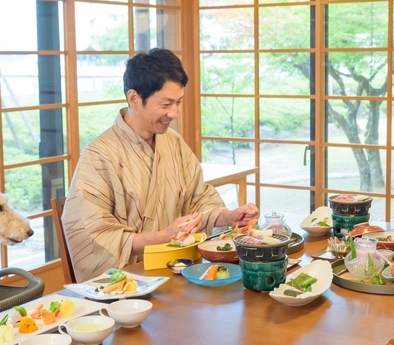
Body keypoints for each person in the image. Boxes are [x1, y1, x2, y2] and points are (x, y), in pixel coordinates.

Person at [62, 48, 259, 281]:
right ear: (134, 98)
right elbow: (93, 236)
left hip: (178, 271)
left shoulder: (172, 142)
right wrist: (164, 236)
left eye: (178, 103)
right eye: (166, 104)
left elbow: (197, 199)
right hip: (128, 282)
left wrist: (229, 217)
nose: (174, 113)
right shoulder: (99, 155)